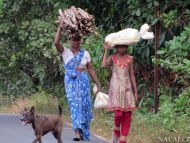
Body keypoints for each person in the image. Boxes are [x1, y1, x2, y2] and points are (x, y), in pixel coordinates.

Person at [54, 19, 102, 141]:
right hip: (70, 83)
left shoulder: (85, 53)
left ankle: (82, 130)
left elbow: (90, 70)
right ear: (69, 41)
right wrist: (60, 27)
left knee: (83, 106)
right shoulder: (65, 52)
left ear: (80, 41)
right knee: (74, 105)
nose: (75, 42)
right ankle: (76, 131)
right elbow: (56, 43)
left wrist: (97, 83)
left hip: (83, 83)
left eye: (77, 39)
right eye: (73, 39)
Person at [102, 43, 138, 143]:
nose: (122, 48)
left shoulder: (130, 58)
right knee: (119, 114)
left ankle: (122, 140)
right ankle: (116, 131)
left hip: (127, 89)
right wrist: (106, 50)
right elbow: (104, 65)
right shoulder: (113, 57)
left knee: (127, 115)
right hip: (116, 89)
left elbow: (132, 75)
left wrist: (135, 91)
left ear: (126, 47)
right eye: (120, 46)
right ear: (116, 47)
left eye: (124, 46)